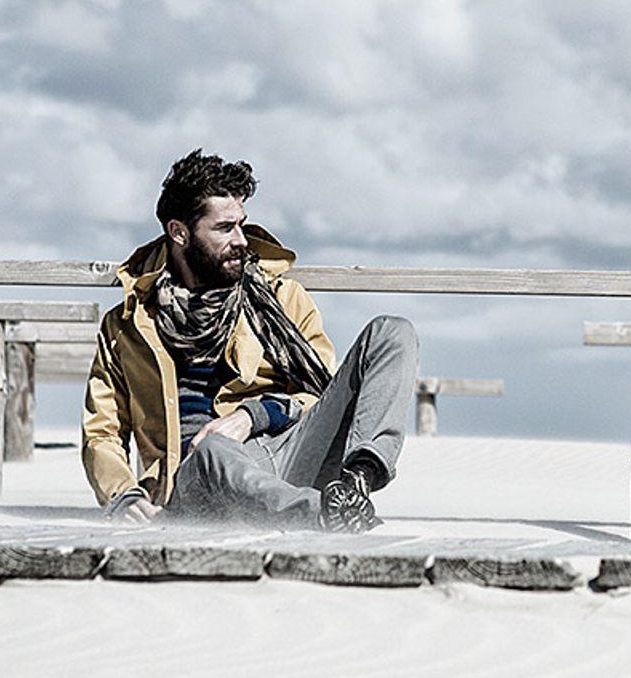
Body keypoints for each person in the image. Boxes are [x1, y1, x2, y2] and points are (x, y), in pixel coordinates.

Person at [81, 148, 415, 533]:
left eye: (242, 224)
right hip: (193, 478)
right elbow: (102, 431)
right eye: (224, 228)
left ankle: (356, 484)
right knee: (214, 448)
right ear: (179, 232)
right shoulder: (127, 325)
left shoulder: (280, 299)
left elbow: (317, 393)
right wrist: (123, 493)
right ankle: (322, 514)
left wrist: (251, 416)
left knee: (393, 330)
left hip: (284, 454)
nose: (241, 240)